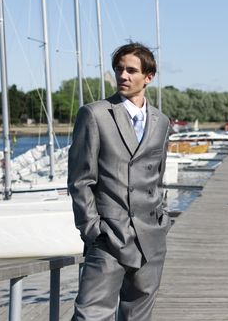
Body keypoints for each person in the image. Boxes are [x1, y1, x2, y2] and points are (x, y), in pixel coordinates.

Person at [68, 42, 171, 320]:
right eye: (119, 69)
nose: (123, 75)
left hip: (151, 238)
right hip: (108, 238)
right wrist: (92, 230)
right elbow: (80, 180)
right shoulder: (95, 114)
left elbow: (157, 178)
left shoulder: (161, 121)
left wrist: (162, 220)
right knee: (91, 315)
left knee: (138, 316)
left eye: (131, 70)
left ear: (148, 77)